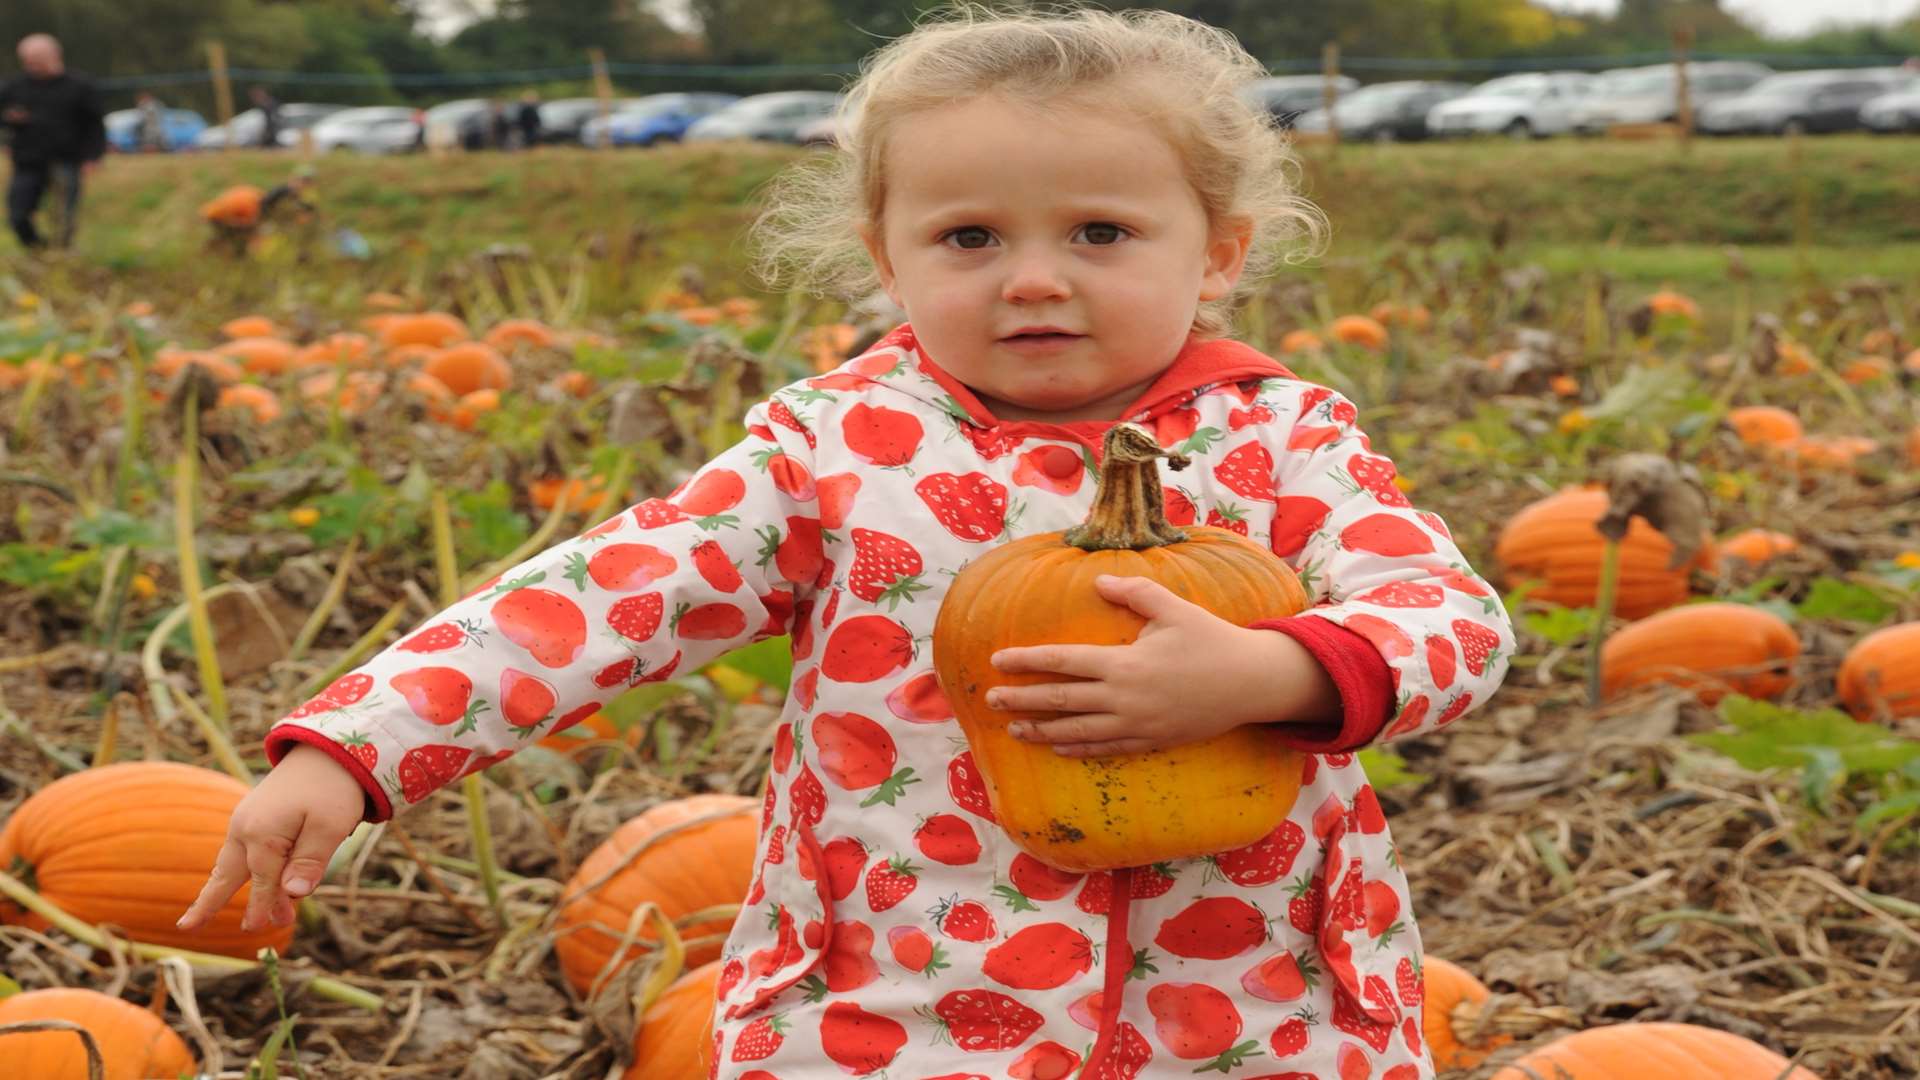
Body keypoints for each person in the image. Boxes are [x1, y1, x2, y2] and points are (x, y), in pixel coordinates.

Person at [178, 8, 1513, 1077]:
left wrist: (1275, 675)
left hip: (1254, 1004)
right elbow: (606, 599)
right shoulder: (836, 452)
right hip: (903, 997)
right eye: (969, 236)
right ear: (887, 252)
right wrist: (359, 748)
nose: (1033, 277)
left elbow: (1449, 617)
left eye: (1101, 233)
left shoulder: (1282, 440)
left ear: (1216, 254)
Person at [1, 33, 105, 251]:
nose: (33, 66)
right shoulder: (15, 87)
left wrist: (94, 156)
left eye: (38, 60)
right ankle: (38, 249)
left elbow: (95, 125)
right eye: (28, 62)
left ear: (55, 55)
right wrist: (11, 121)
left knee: (64, 216)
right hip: (28, 161)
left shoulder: (80, 86)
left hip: (66, 159)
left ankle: (61, 255)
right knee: (17, 215)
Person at [199, 165, 316, 255]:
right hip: (217, 216)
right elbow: (248, 226)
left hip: (218, 213)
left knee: (237, 237)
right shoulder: (251, 207)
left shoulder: (259, 198)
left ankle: (222, 252)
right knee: (240, 236)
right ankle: (220, 253)